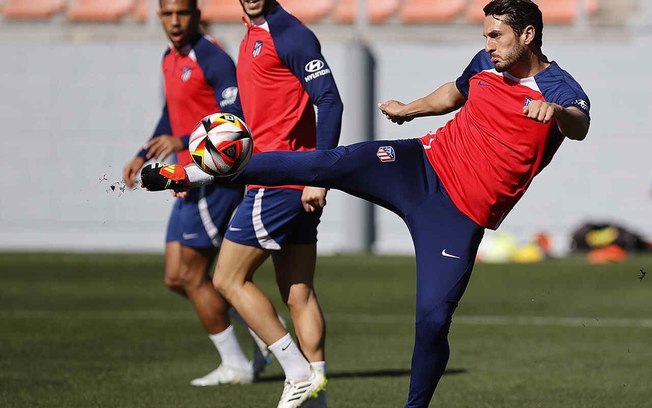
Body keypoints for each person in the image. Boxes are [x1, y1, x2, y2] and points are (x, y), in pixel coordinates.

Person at [141, 0, 590, 406]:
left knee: (433, 321)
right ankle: (194, 172)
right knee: (327, 163)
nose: (488, 44)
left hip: (457, 216)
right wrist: (411, 109)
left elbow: (580, 123)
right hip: (420, 164)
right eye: (485, 35)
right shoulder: (485, 64)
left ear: (528, 35)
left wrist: (555, 112)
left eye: (497, 36)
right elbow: (456, 92)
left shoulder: (558, 87)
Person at [122, 0, 263, 387]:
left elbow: (236, 122)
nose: (174, 21)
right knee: (174, 277)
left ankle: (236, 364)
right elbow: (170, 113)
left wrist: (182, 141)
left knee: (192, 274)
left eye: (181, 13)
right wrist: (143, 152)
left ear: (197, 15)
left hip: (211, 179)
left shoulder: (212, 58)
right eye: (167, 14)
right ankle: (258, 326)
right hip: (183, 178)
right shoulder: (170, 58)